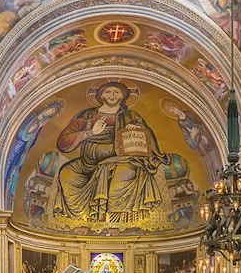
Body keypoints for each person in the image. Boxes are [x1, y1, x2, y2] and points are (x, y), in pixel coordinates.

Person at [54, 81, 171, 223]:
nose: (112, 95)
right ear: (101, 95)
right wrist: (91, 132)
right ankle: (81, 220)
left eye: (117, 92)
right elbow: (63, 142)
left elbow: (148, 141)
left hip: (121, 161)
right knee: (66, 173)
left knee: (123, 173)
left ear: (123, 96)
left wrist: (137, 128)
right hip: (88, 164)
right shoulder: (87, 115)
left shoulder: (131, 116)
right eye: (108, 92)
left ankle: (116, 223)